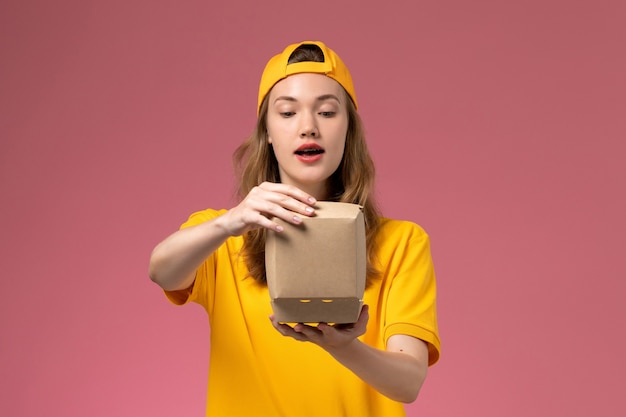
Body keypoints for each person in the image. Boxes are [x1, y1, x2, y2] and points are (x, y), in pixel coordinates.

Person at [149, 40, 440, 417]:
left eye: (327, 112)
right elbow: (161, 271)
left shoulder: (402, 242)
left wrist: (339, 344)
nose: (308, 127)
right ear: (267, 132)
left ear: (348, 129)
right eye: (287, 113)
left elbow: (408, 381)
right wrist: (232, 221)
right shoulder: (224, 236)